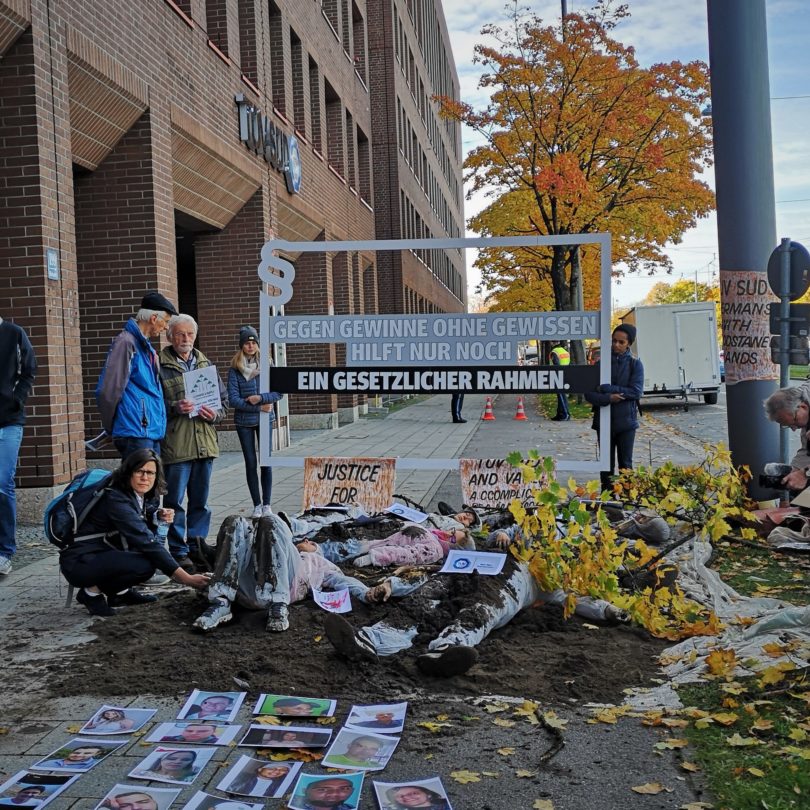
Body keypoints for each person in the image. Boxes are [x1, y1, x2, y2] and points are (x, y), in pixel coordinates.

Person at [324, 523, 627, 677]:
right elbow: (431, 573)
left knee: (477, 613)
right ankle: (369, 640)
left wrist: (608, 610)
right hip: (463, 572)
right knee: (423, 602)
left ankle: (444, 652)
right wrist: (395, 583)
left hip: (502, 589)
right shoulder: (499, 548)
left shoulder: (546, 580)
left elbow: (574, 599)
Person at [192, 514, 416, 633]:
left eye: (310, 542)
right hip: (248, 586)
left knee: (271, 522)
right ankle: (220, 603)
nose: (307, 542)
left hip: (276, 593)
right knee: (236, 522)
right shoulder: (271, 546)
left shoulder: (317, 563)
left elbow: (342, 580)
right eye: (304, 540)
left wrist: (366, 592)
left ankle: (279, 607)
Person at [59, 448, 211, 616]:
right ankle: (90, 594)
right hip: (79, 562)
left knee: (145, 560)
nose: (145, 477)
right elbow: (146, 541)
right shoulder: (115, 497)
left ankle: (120, 594)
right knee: (145, 564)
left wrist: (156, 516)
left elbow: (141, 528)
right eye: (139, 471)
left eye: (150, 473)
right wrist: (186, 578)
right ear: (128, 472)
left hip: (102, 553)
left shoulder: (142, 495)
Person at [159, 314, 227, 572]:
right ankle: (178, 551)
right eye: (179, 334)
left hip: (204, 444)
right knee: (174, 502)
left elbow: (223, 402)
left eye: (189, 334)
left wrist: (215, 415)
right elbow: (154, 406)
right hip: (176, 445)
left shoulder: (205, 363)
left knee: (201, 501)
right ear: (169, 337)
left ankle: (197, 546)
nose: (185, 339)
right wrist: (175, 406)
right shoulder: (160, 366)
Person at [96, 291, 178, 459]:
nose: (166, 328)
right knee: (138, 482)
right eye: (166, 322)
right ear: (154, 319)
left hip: (146, 430)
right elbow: (108, 391)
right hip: (136, 430)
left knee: (150, 483)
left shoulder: (143, 346)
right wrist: (111, 426)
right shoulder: (126, 342)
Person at [227, 326, 283, 519]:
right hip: (244, 422)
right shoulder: (235, 369)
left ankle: (267, 504)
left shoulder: (268, 364)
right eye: (246, 342)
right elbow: (232, 399)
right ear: (241, 345)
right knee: (250, 463)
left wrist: (260, 398)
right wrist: (257, 407)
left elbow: (279, 393)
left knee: (265, 462)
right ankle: (256, 505)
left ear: (258, 344)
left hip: (266, 419)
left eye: (253, 342)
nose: (250, 346)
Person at [584, 323, 643, 490]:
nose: (616, 345)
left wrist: (607, 388)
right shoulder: (600, 365)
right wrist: (609, 397)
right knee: (605, 465)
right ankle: (607, 499)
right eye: (614, 341)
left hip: (626, 423)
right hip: (603, 422)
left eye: (621, 342)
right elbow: (588, 394)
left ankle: (627, 499)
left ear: (629, 344)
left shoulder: (635, 364)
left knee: (625, 465)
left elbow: (636, 392)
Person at [0, 317, 37, 577]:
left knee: (2, 482)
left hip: (8, 422)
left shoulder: (14, 333)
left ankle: (4, 551)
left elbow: (29, 369)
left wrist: (16, 400)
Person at [350, 523, 474, 568]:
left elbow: (407, 555)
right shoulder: (435, 535)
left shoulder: (434, 550)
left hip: (372, 548)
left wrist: (374, 557)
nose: (446, 533)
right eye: (452, 531)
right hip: (374, 540)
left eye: (451, 538)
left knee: (337, 551)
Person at [763, 383, 810, 490]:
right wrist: (793, 471)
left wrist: (805, 474)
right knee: (802, 502)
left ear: (803, 407)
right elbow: (806, 452)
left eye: (794, 422)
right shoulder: (804, 410)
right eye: (788, 426)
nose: (794, 429)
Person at [132, 749, 199, 783]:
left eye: (185, 760)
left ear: (191, 762)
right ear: (161, 760)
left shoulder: (190, 777)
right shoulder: (139, 772)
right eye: (171, 759)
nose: (177, 762)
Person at [291, 777, 355, 810]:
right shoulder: (292, 802)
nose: (334, 794)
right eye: (322, 789)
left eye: (344, 789)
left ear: (352, 791)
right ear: (305, 791)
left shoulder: (349, 808)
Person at [36, 745, 106, 770]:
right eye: (76, 752)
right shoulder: (50, 762)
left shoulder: (96, 764)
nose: (78, 755)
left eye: (87, 753)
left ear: (95, 754)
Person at [549, 341, 571, 421]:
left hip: (558, 377)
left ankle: (566, 414)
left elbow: (556, 366)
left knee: (561, 396)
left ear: (552, 343)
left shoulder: (554, 352)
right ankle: (559, 414)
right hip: (565, 375)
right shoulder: (565, 351)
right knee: (561, 396)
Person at [384, 785, 449, 810]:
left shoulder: (447, 804)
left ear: (428, 794)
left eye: (414, 793)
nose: (406, 797)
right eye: (399, 796)